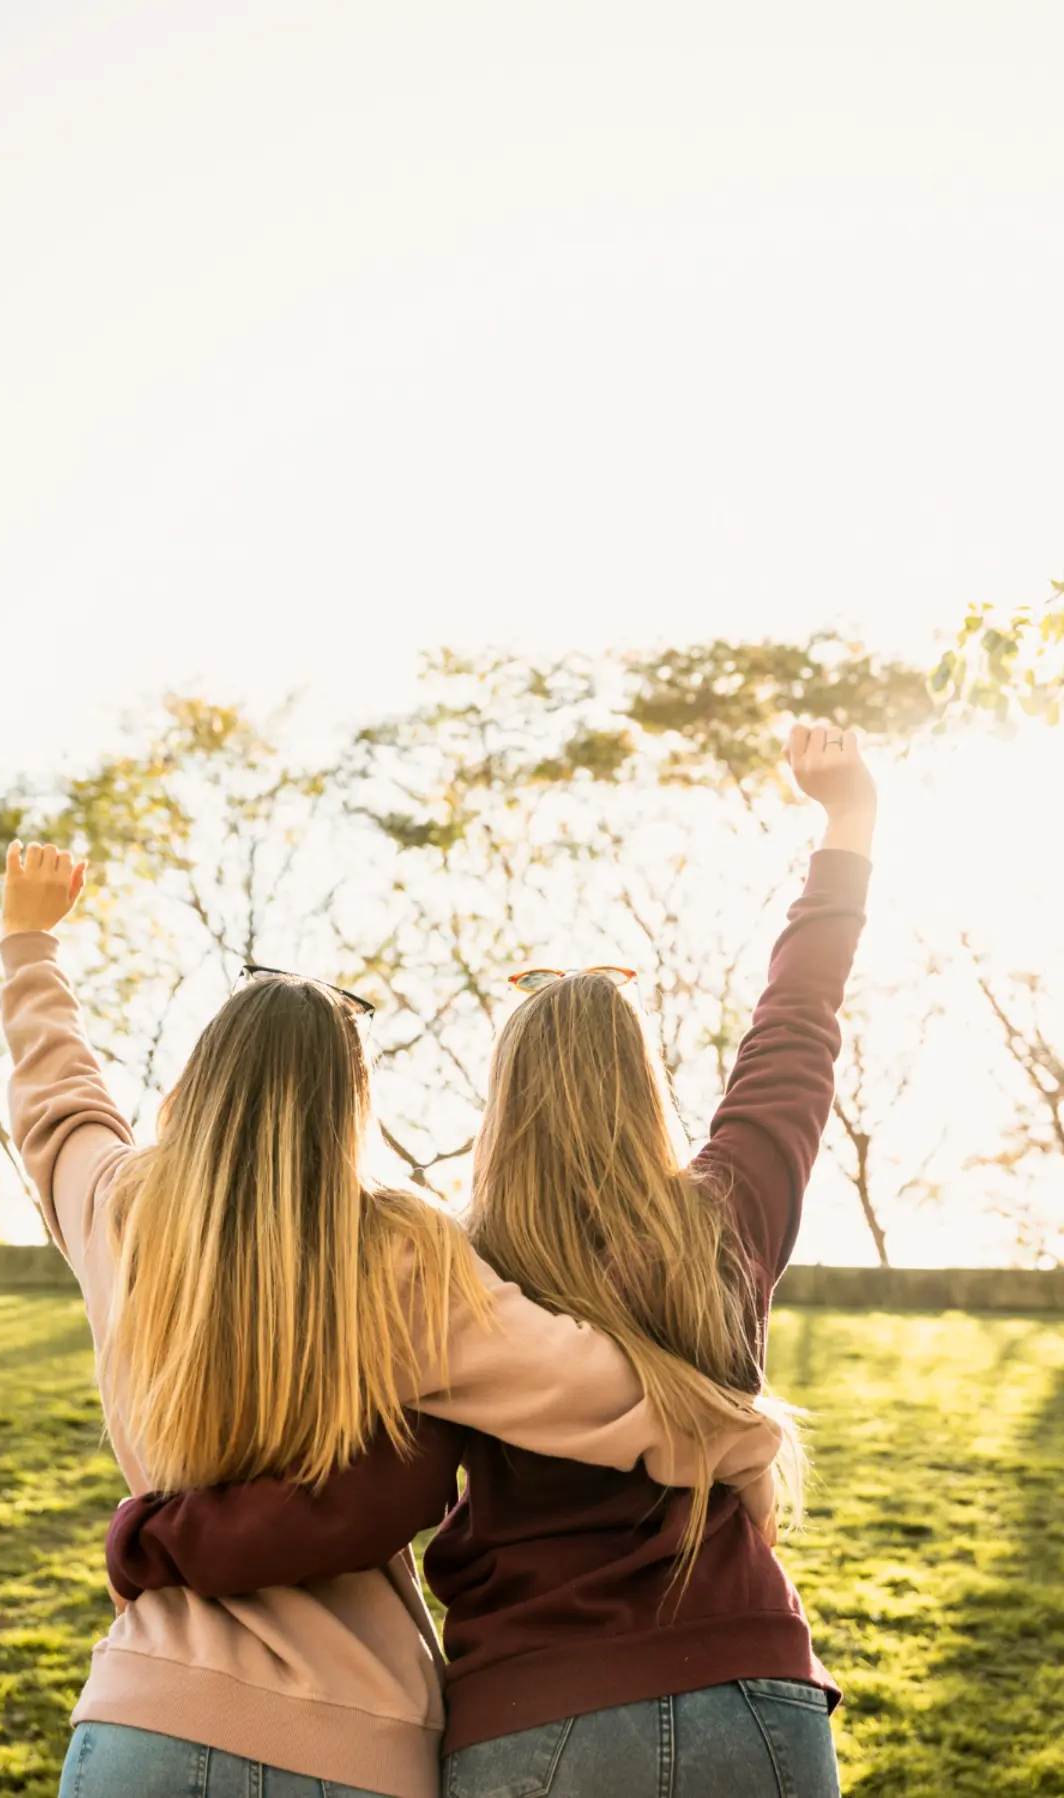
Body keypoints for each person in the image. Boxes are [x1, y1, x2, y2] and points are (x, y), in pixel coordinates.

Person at [103, 721, 874, 1798]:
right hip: (750, 1691)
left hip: (530, 1721)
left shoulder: (453, 1272)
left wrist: (159, 1535)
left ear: (504, 1103)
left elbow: (366, 1490)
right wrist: (848, 826)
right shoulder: (726, 1220)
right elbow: (797, 1031)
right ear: (642, 1085)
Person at [0, 839, 783, 1798]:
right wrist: (739, 1440)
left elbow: (56, 1097)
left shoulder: (111, 1209)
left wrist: (30, 942)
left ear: (197, 1078)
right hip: (352, 1740)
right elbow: (592, 1385)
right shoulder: (403, 1252)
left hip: (139, 1721)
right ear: (350, 1101)